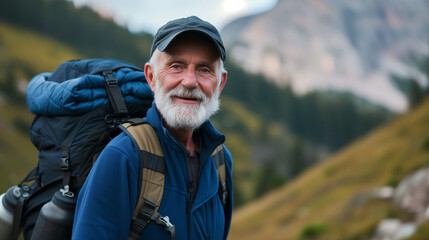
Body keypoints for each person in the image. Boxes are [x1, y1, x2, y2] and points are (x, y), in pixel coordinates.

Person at [72, 16, 233, 240]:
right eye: (176, 66)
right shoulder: (123, 157)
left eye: (204, 69)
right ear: (151, 77)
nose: (189, 81)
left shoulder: (220, 161)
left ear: (220, 83)